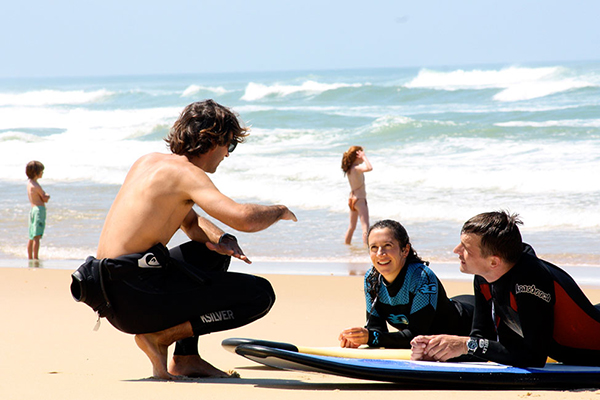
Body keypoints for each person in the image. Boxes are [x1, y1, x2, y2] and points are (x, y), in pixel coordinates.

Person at [71, 100, 297, 380]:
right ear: (212, 140)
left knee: (212, 253)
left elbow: (190, 222)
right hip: (135, 295)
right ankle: (161, 336)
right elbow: (244, 218)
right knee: (260, 295)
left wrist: (221, 239)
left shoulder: (149, 162)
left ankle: (186, 358)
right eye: (230, 145)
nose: (227, 155)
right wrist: (280, 210)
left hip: (111, 291)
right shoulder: (187, 174)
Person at [411, 211, 600, 367]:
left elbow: (533, 357)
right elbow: (482, 341)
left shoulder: (530, 280)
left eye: (466, 247)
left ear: (494, 261)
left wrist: (465, 344)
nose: (456, 250)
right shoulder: (484, 277)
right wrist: (439, 351)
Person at [338, 219, 474, 349]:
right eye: (374, 247)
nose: (380, 254)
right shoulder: (372, 279)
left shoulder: (421, 277)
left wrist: (371, 338)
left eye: (387, 246)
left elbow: (418, 336)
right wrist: (360, 337)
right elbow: (376, 329)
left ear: (405, 250)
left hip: (470, 321)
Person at [342, 146, 372, 245]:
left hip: (352, 199)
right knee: (365, 227)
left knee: (351, 227)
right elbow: (369, 168)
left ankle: (346, 247)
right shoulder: (356, 168)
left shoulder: (349, 169)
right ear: (357, 156)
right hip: (359, 199)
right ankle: (367, 251)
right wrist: (364, 157)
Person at [26, 160, 50, 261]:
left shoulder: (29, 184)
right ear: (36, 173)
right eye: (41, 171)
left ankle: (30, 257)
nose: (42, 173)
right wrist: (47, 196)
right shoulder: (36, 185)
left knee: (31, 236)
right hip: (39, 210)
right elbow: (44, 198)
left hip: (32, 209)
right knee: (37, 236)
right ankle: (36, 257)